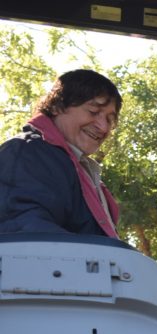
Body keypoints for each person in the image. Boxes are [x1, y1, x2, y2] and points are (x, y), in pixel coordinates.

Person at [0, 69, 122, 237]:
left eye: (110, 120)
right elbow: (24, 229)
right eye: (93, 112)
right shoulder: (28, 153)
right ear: (57, 106)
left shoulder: (81, 170)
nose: (103, 127)